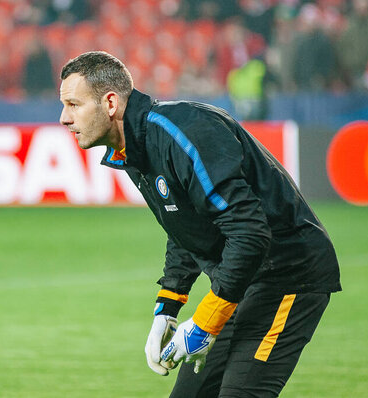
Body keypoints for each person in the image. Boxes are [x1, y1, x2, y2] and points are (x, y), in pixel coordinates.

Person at [58, 51, 341, 397]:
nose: (64, 118)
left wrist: (205, 323)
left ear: (111, 103)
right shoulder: (136, 148)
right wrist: (168, 305)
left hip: (290, 273)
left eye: (73, 105)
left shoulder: (182, 133)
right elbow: (187, 226)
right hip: (242, 280)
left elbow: (249, 231)